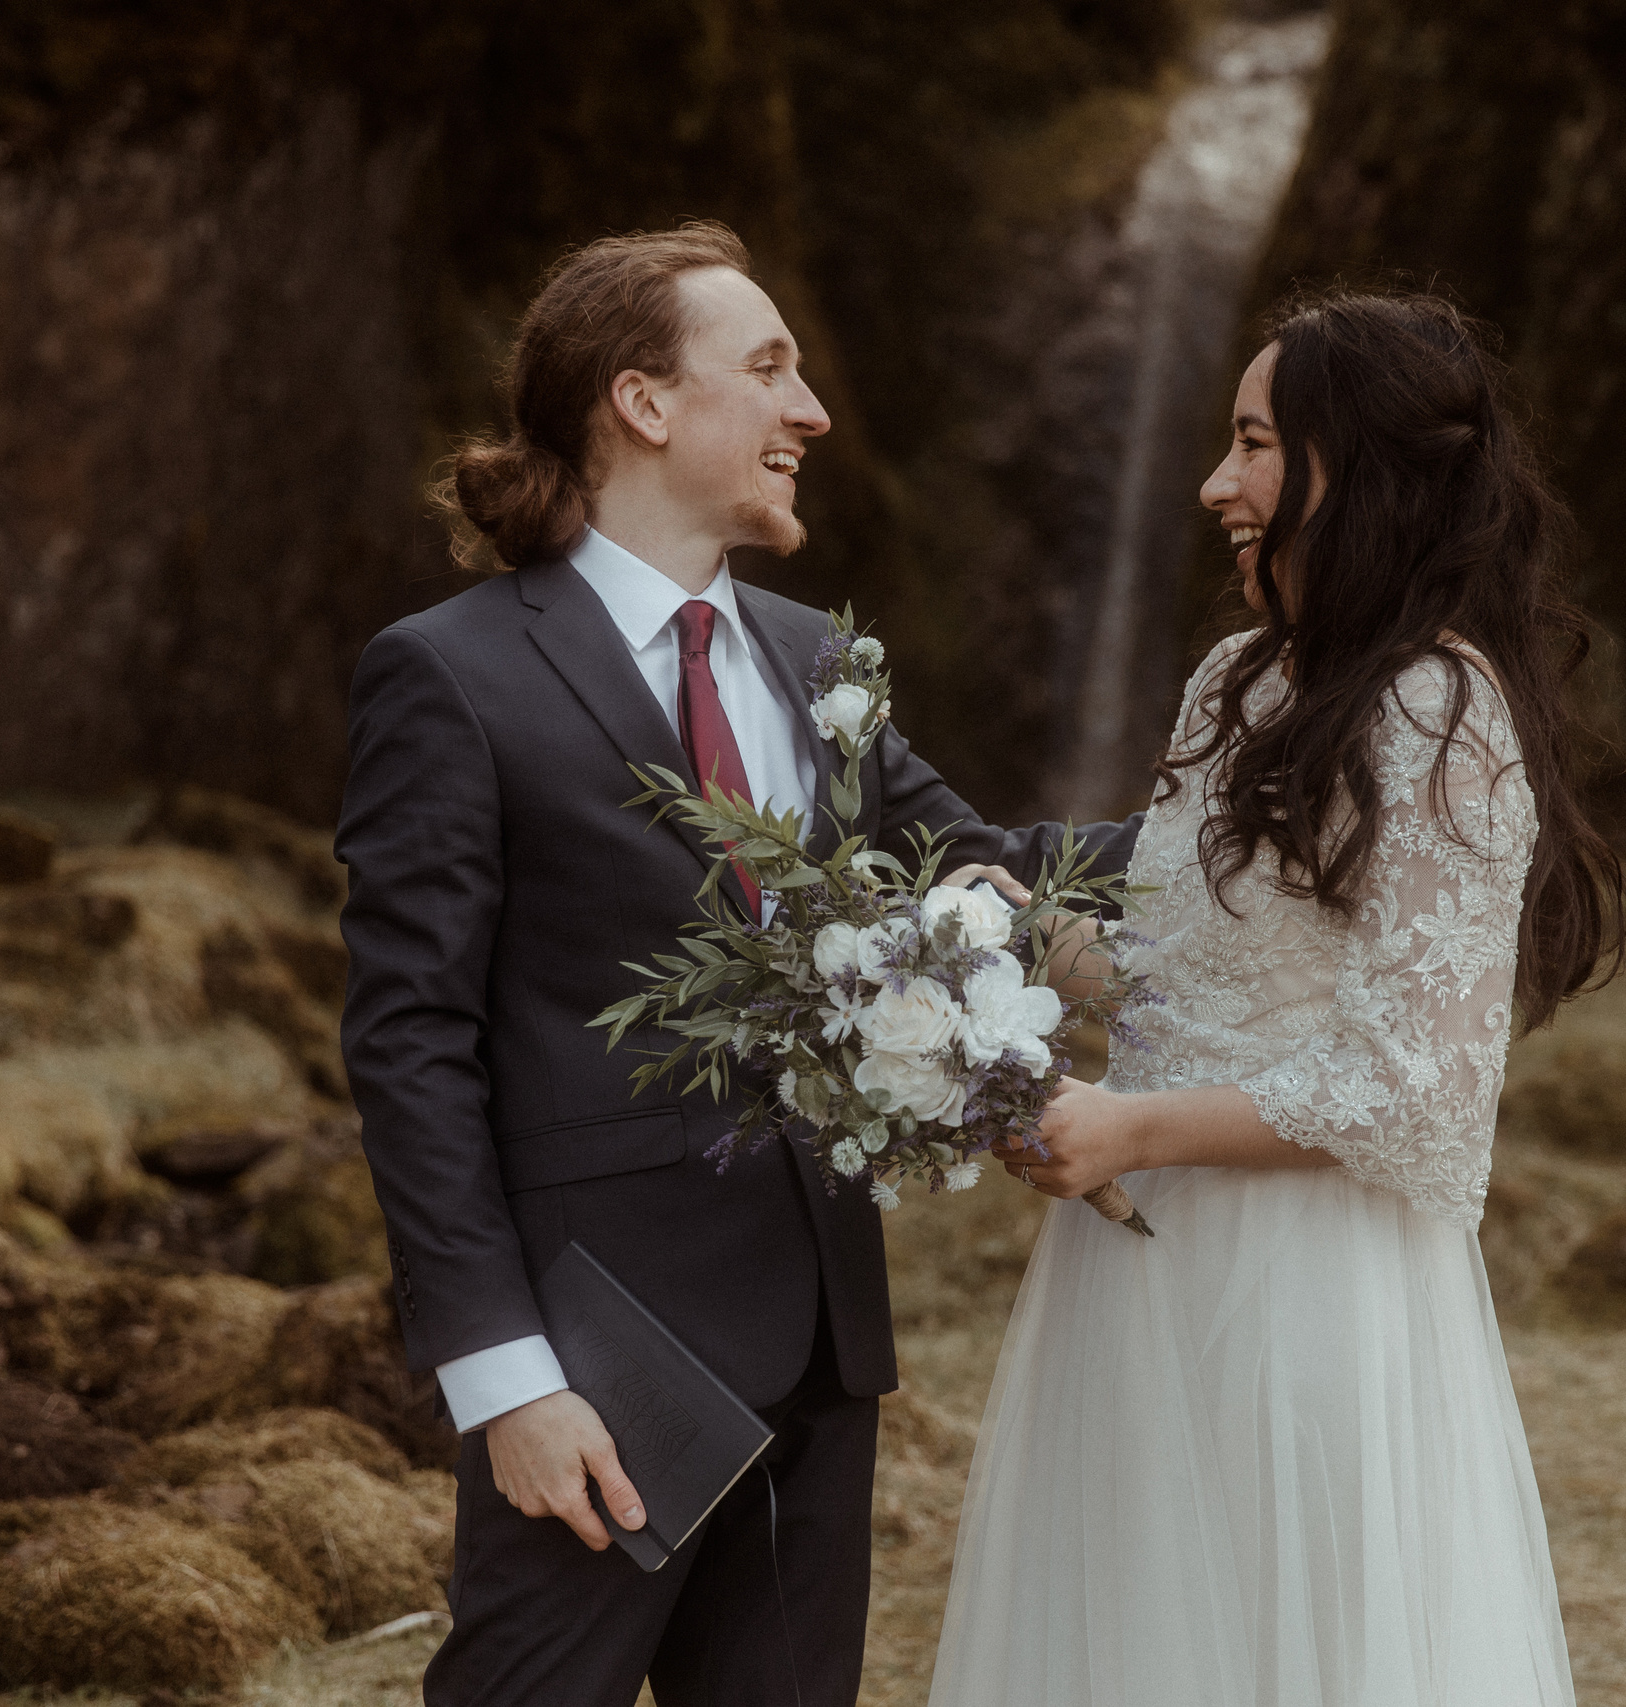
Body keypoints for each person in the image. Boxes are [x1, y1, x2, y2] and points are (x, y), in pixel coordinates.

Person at [334, 222, 1137, 1706]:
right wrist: (508, 1380)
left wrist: (1270, 820)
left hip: (824, 1348)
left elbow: (985, 863)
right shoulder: (449, 675)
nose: (811, 412)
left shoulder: (819, 661)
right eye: (768, 369)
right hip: (596, 1363)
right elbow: (410, 1049)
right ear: (642, 401)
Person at [928, 288, 1626, 1706]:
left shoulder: (1443, 714)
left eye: (1254, 444)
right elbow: (1206, 980)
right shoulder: (1232, 684)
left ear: (1353, 465)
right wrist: (1031, 949)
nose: (1215, 486)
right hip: (1143, 1274)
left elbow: (1416, 1087)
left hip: (1311, 1290)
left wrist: (1130, 1131)